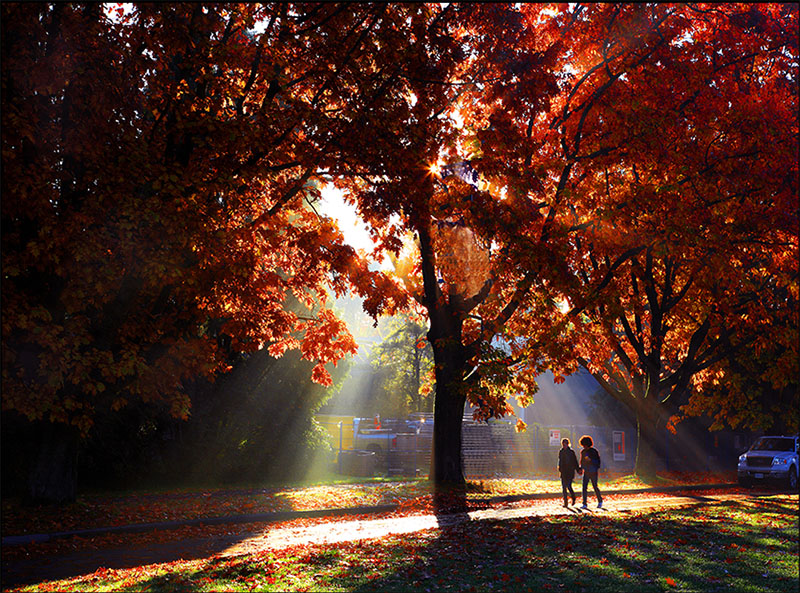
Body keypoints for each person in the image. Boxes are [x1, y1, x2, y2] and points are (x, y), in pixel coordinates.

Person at [579, 435, 603, 509]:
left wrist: (591, 461)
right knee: (584, 487)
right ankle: (584, 503)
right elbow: (582, 461)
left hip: (593, 471)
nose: (584, 447)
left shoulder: (594, 451)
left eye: (585, 445)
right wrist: (581, 468)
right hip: (586, 471)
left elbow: (598, 462)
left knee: (595, 486)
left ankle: (600, 501)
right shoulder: (583, 452)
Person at [558, 438, 581, 507]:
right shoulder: (561, 451)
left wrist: (578, 469)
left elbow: (575, 461)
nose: (564, 445)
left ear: (568, 444)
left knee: (568, 486)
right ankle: (566, 503)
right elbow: (560, 460)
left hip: (570, 471)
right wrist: (559, 468)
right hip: (563, 471)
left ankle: (573, 497)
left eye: (565, 444)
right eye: (563, 444)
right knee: (564, 487)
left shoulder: (571, 452)